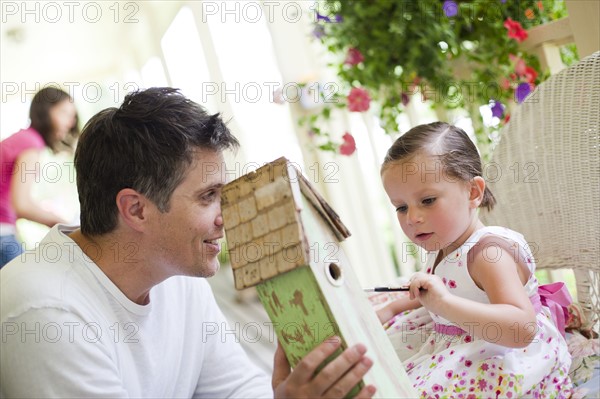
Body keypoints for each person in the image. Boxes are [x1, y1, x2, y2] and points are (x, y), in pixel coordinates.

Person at [0, 87, 376, 398]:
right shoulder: (46, 312)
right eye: (208, 196)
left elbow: (233, 388)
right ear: (136, 209)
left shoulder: (172, 269)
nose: (226, 215)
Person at [376, 122, 572, 398]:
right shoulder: (443, 240)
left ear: (473, 192)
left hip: (499, 351)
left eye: (428, 200)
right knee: (378, 370)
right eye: (401, 207)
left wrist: (444, 303)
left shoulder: (488, 254)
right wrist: (392, 308)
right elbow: (446, 287)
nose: (412, 218)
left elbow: (521, 328)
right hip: (450, 337)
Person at [0, 87, 79, 268]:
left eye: (72, 116)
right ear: (45, 111)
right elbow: (21, 205)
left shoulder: (23, 138)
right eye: (64, 113)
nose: (71, 122)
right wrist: (62, 223)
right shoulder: (30, 142)